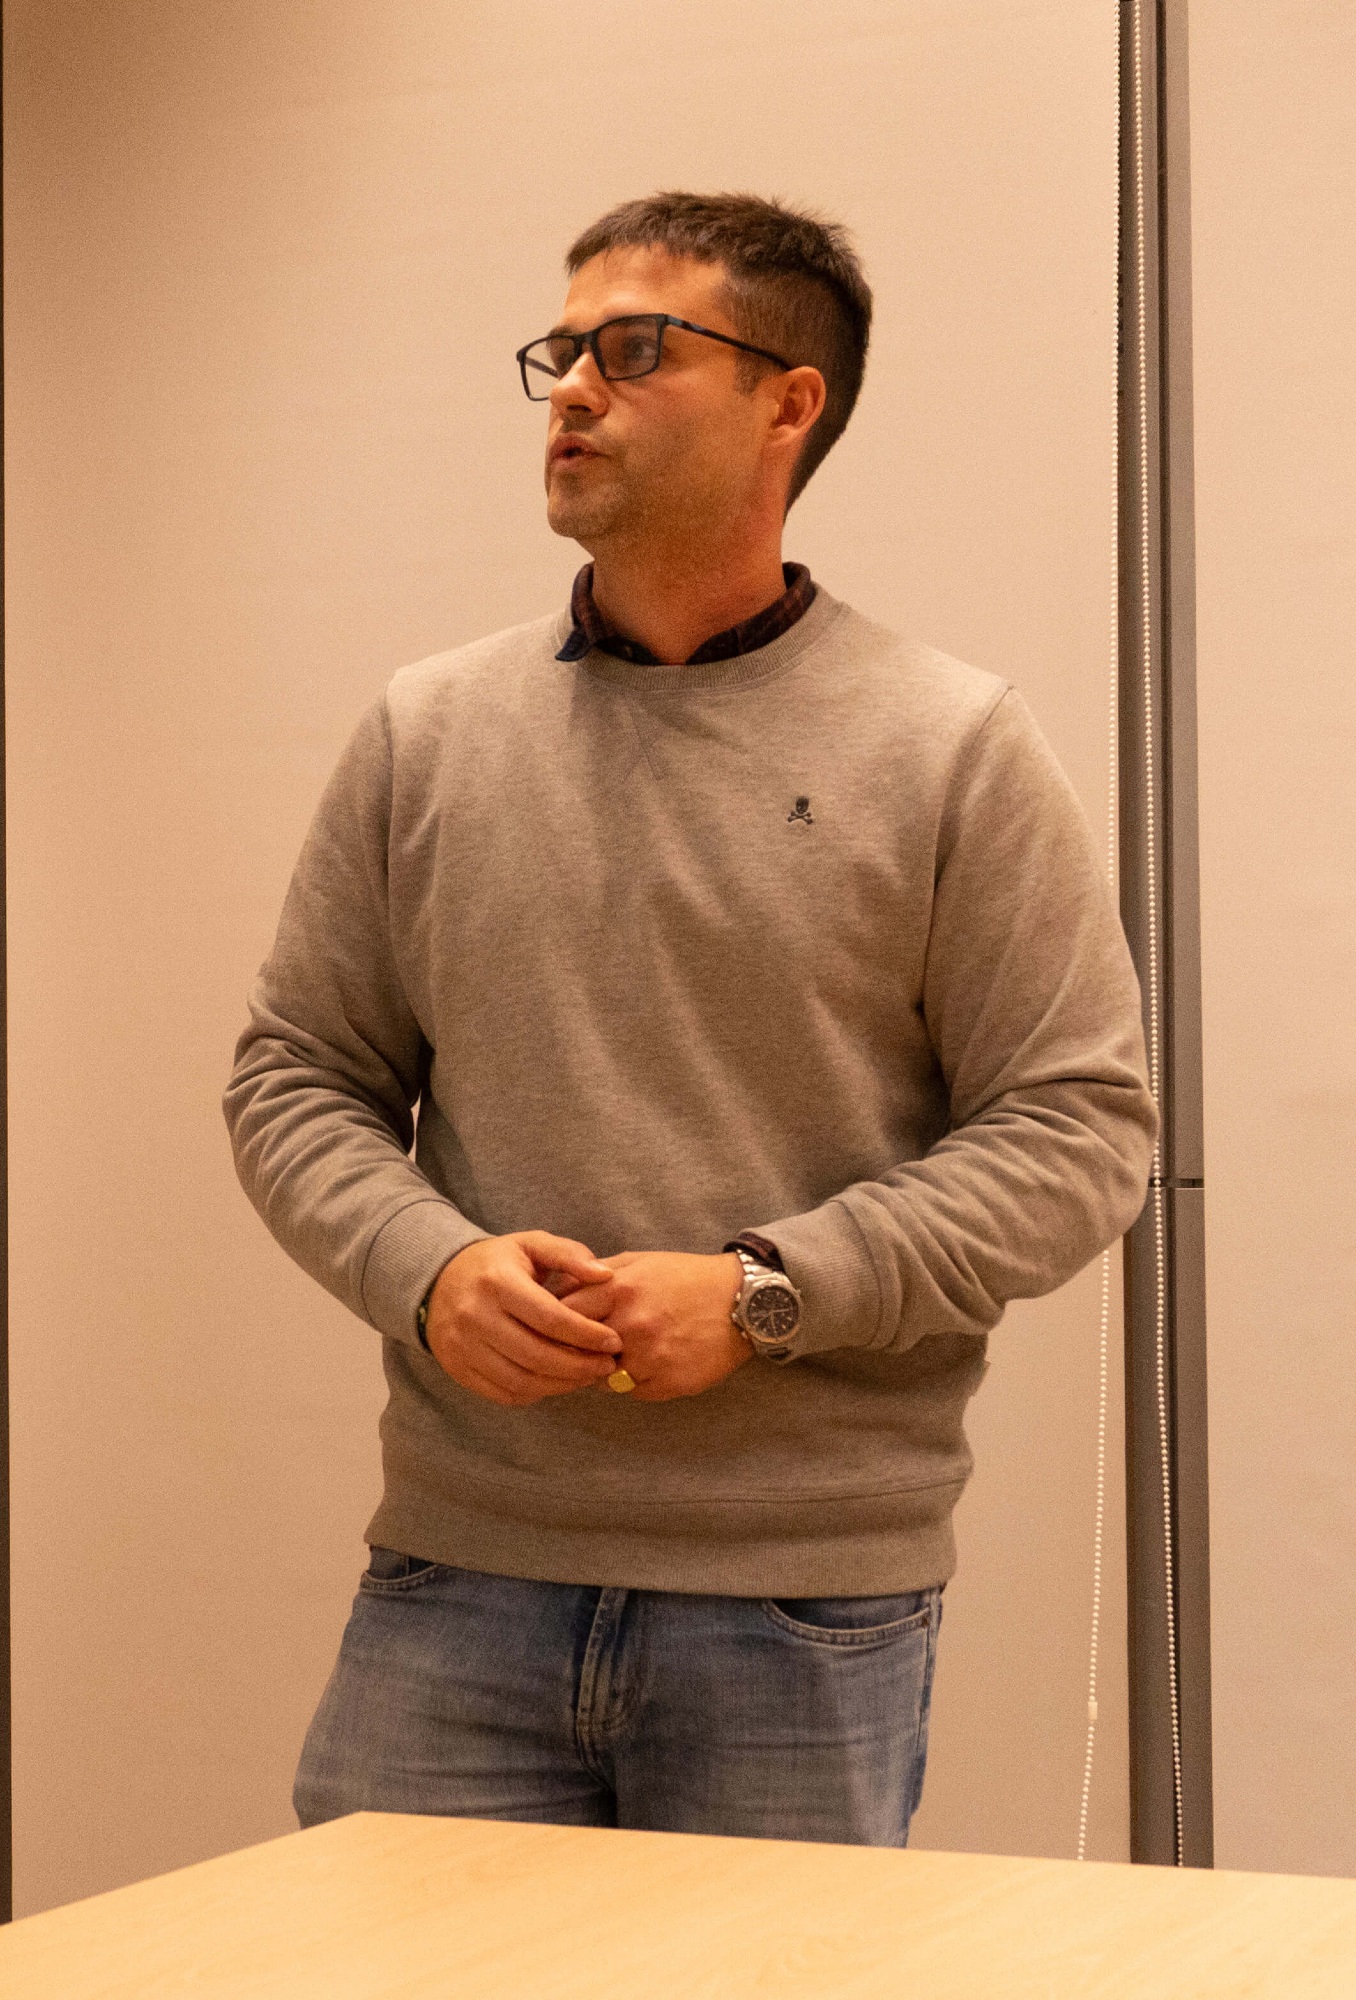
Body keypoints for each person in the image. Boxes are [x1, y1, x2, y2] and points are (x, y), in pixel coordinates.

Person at [222, 190, 1157, 1849]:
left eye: (636, 348)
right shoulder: (429, 732)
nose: (574, 388)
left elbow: (1080, 1134)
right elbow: (297, 1077)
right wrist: (428, 1269)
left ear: (788, 403)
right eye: (562, 350)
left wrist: (764, 1293)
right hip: (458, 1574)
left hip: (801, 1611)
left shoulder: (951, 746)